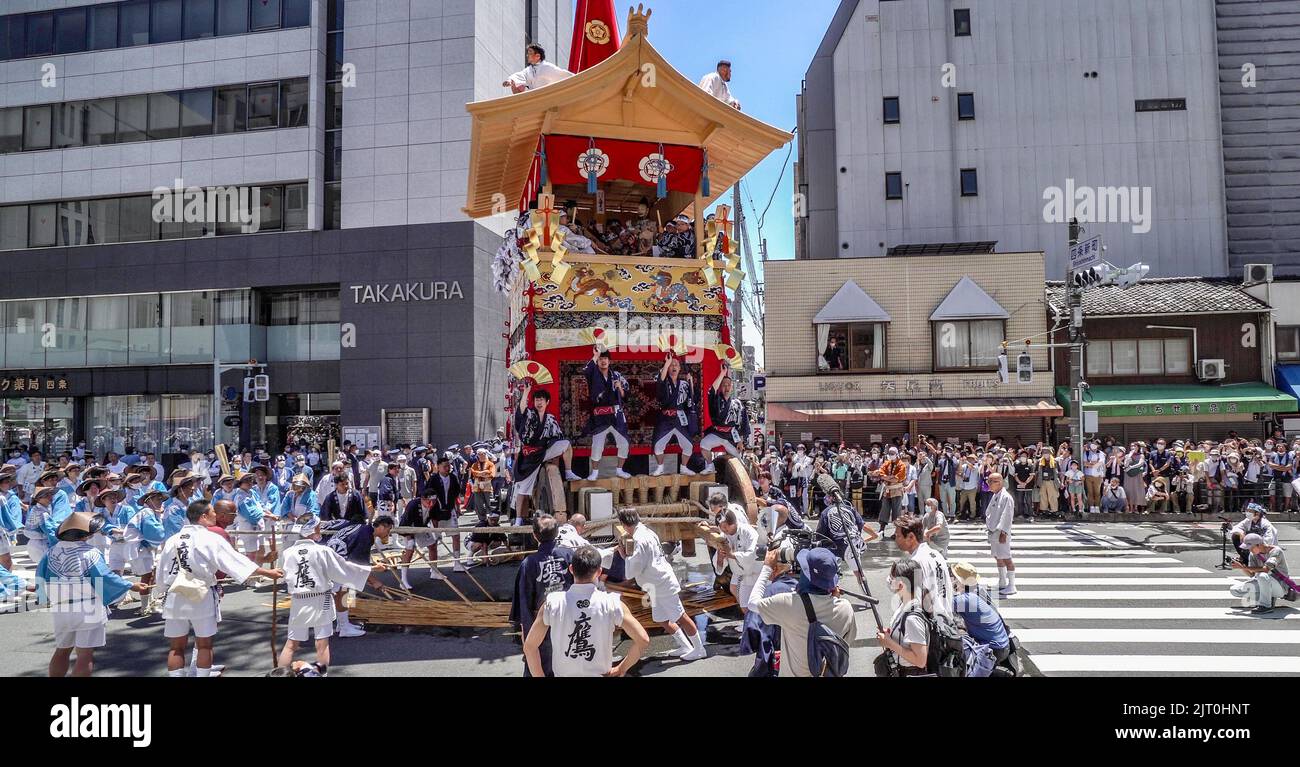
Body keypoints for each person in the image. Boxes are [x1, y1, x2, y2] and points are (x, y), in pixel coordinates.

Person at [153, 500, 284, 677]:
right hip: (201, 593)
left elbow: (161, 571)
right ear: (203, 516)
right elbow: (234, 561)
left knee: (176, 647)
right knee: (204, 644)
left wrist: (161, 589)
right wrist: (267, 573)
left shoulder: (172, 540)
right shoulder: (209, 538)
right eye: (213, 511)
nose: (216, 514)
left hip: (175, 593)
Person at [36, 512, 148, 677]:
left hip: (61, 607)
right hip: (88, 606)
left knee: (62, 650)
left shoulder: (50, 553)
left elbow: (40, 578)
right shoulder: (91, 552)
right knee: (85, 654)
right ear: (86, 534)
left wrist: (43, 598)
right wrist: (131, 585)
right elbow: (105, 577)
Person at [276, 514, 387, 673]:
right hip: (320, 599)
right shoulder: (322, 551)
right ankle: (322, 673)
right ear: (314, 529)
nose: (320, 529)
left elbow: (282, 574)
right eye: (318, 526)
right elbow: (345, 568)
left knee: (291, 644)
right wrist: (373, 570)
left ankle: (280, 675)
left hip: (298, 599)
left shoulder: (288, 553)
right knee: (321, 644)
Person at [523, 544, 650, 677]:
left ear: (571, 569)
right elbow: (643, 639)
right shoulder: (612, 603)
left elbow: (530, 647)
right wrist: (621, 668)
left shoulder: (552, 603)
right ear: (599, 571)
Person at [744, 546, 855, 677]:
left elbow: (752, 603)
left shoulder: (788, 603)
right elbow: (847, 640)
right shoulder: (845, 608)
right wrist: (833, 598)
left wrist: (767, 567)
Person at [617, 508, 706, 660]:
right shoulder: (646, 531)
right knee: (661, 619)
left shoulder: (639, 539)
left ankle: (699, 649)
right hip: (657, 582)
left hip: (662, 583)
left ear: (624, 525)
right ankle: (685, 645)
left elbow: (635, 566)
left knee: (680, 616)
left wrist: (624, 556)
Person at [509, 515, 575, 677]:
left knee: (539, 669)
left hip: (540, 630)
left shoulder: (529, 564)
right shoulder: (569, 555)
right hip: (570, 625)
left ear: (534, 535)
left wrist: (528, 644)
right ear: (558, 532)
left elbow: (524, 608)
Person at [512, 385, 578, 520]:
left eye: (542, 400)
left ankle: (568, 471)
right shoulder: (530, 414)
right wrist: (526, 392)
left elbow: (557, 436)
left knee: (565, 444)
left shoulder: (550, 419)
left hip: (543, 452)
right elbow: (522, 409)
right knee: (523, 491)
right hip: (529, 457)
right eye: (536, 400)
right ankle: (519, 519)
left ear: (547, 402)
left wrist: (553, 456)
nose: (539, 402)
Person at [949, 561, 1016, 672]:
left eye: (953, 576)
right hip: (1002, 644)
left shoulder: (966, 599)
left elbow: (939, 606)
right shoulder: (978, 591)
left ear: (959, 580)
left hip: (993, 650)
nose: (950, 578)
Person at [892, 512, 953, 620]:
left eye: (898, 536)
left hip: (931, 623)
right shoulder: (936, 554)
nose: (895, 539)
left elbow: (915, 599)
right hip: (945, 617)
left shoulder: (916, 562)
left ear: (911, 537)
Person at [583, 347, 632, 480]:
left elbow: (626, 395)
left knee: (624, 443)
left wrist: (620, 388)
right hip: (600, 415)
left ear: (609, 361)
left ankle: (620, 470)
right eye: (600, 359)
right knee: (597, 445)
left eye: (605, 358)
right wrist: (595, 355)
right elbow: (586, 371)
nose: (603, 361)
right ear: (597, 361)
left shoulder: (616, 375)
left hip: (616, 414)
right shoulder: (593, 374)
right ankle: (594, 472)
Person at [877, 558, 931, 676]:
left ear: (901, 584)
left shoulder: (912, 618)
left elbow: (920, 661)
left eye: (892, 577)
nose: (889, 580)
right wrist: (890, 635)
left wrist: (889, 643)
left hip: (910, 672)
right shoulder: (905, 604)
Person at [707, 497, 761, 613]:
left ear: (734, 523)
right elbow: (719, 566)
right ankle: (749, 621)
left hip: (753, 572)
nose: (724, 530)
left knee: (751, 603)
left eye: (726, 527)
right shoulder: (725, 535)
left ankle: (753, 622)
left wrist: (731, 555)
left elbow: (752, 555)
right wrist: (721, 558)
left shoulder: (748, 532)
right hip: (739, 572)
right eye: (721, 528)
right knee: (735, 590)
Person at [122, 489, 168, 616]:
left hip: (145, 548)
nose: (160, 502)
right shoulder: (147, 512)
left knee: (151, 575)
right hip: (141, 548)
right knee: (147, 577)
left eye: (161, 499)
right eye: (157, 499)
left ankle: (149, 603)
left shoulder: (152, 513)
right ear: (149, 500)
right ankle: (144, 607)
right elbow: (155, 532)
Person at [652, 353, 699, 476]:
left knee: (688, 446)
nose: (673, 367)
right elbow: (660, 383)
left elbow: (692, 399)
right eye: (671, 365)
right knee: (658, 445)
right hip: (666, 418)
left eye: (676, 365)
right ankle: (660, 467)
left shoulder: (684, 384)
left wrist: (691, 384)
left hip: (679, 418)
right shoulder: (664, 380)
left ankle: (684, 467)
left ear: (679, 368)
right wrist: (667, 362)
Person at [1229, 533, 1295, 614]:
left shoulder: (1276, 551)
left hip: (1280, 585)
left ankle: (1266, 606)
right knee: (1235, 590)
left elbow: (1266, 569)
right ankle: (1268, 598)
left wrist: (1243, 567)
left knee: (1262, 575)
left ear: (1259, 545)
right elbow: (1252, 574)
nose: (1249, 550)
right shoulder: (1253, 554)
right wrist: (1241, 566)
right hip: (1264, 582)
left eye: (1251, 548)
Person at [985, 473, 1016, 596]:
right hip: (994, 531)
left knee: (1006, 557)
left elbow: (1007, 516)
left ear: (999, 482)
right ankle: (1002, 581)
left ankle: (1012, 585)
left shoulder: (1006, 497)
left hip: (1001, 532)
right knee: (997, 556)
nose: (989, 484)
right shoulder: (995, 495)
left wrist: (1004, 532)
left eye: (991, 482)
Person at [503, 43, 573, 93]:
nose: (527, 55)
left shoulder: (546, 67)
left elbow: (563, 74)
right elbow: (519, 76)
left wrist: (578, 79)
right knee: (517, 88)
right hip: (533, 98)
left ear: (537, 56)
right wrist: (510, 81)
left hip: (544, 97)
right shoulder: (528, 70)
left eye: (530, 53)